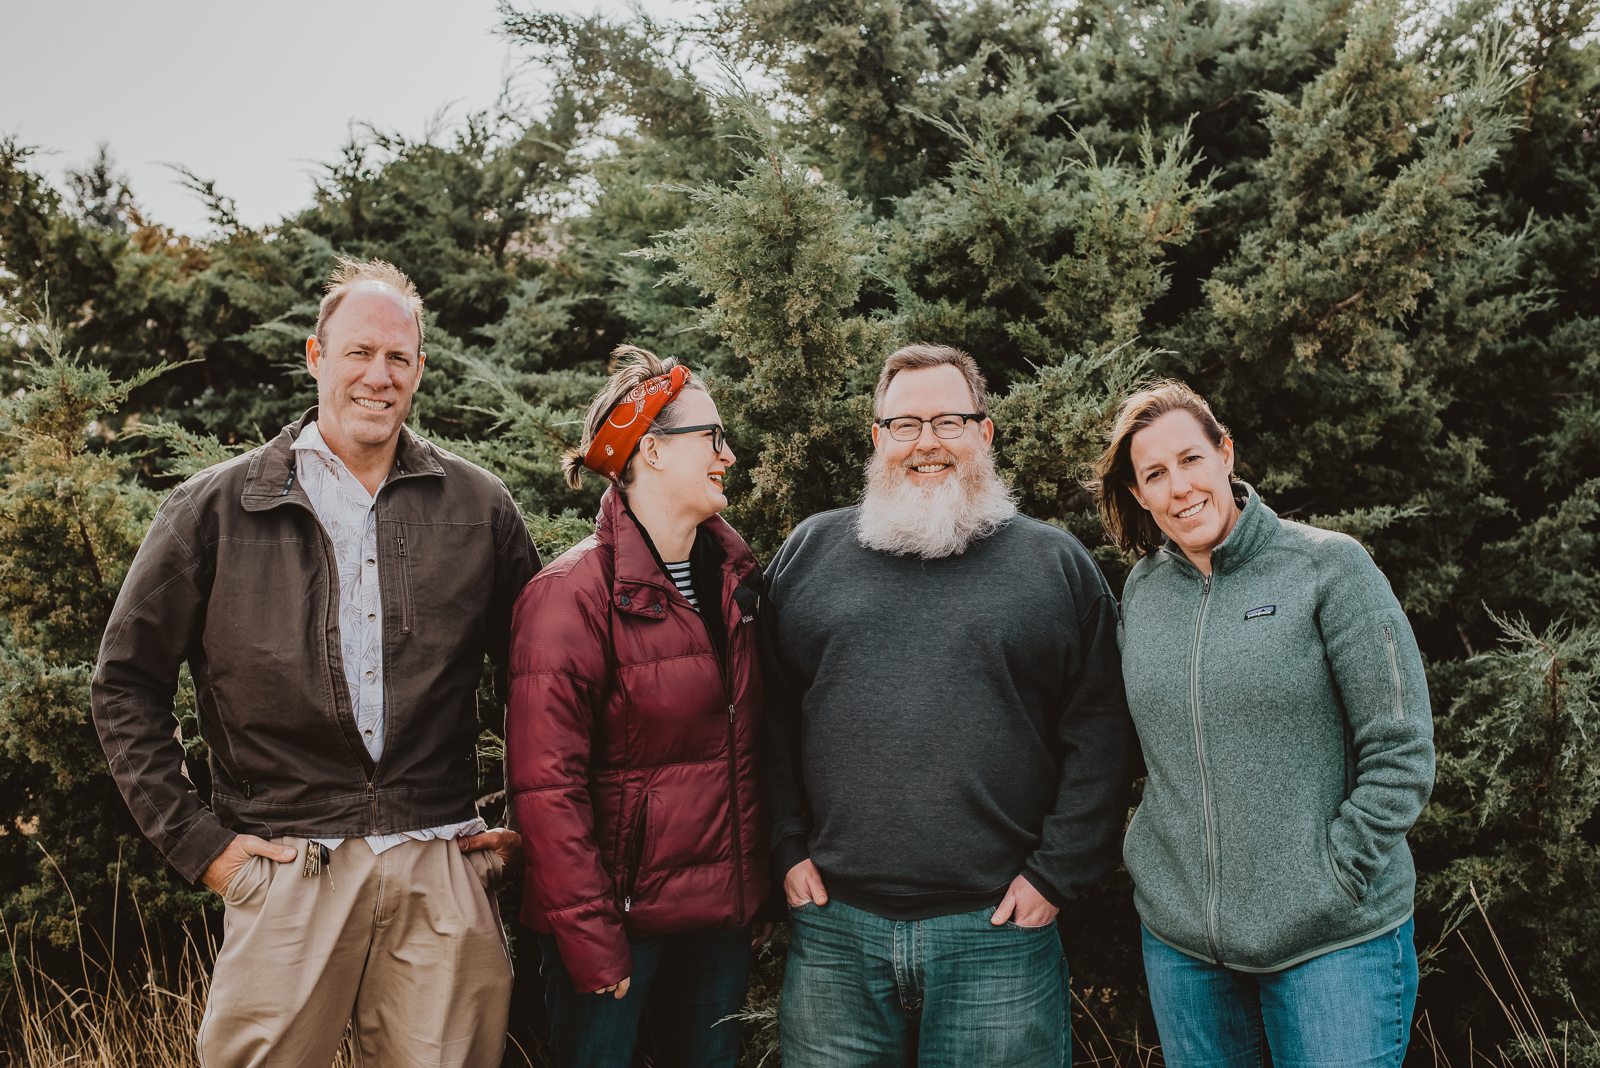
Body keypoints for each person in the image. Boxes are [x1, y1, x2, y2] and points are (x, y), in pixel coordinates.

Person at [91, 258, 539, 1068]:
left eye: (399, 358)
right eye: (359, 352)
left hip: (440, 863)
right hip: (285, 867)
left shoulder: (481, 509)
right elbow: (125, 684)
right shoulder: (214, 510)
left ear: (420, 370)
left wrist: (517, 822)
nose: (379, 375)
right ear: (314, 357)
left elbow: (539, 685)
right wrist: (204, 848)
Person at [761, 343, 1133, 1068]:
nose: (926, 443)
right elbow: (766, 715)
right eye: (904, 425)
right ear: (877, 439)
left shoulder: (1054, 565)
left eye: (949, 421)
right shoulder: (809, 554)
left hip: (998, 933)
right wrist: (783, 843)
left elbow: (1103, 729)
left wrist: (1058, 872)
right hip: (836, 931)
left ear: (984, 434)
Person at [1091, 379, 1435, 1068]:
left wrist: (1335, 877)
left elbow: (1400, 749)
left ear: (1225, 453)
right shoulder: (1144, 593)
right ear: (1137, 494)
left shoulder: (1328, 567)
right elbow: (1136, 749)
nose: (1180, 486)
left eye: (1191, 459)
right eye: (1154, 474)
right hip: (1185, 951)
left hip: (1331, 944)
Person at [506, 346, 772, 1068]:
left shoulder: (737, 581)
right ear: (651, 450)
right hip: (617, 932)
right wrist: (592, 942)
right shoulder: (569, 597)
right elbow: (546, 791)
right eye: (711, 437)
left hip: (716, 924)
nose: (729, 453)